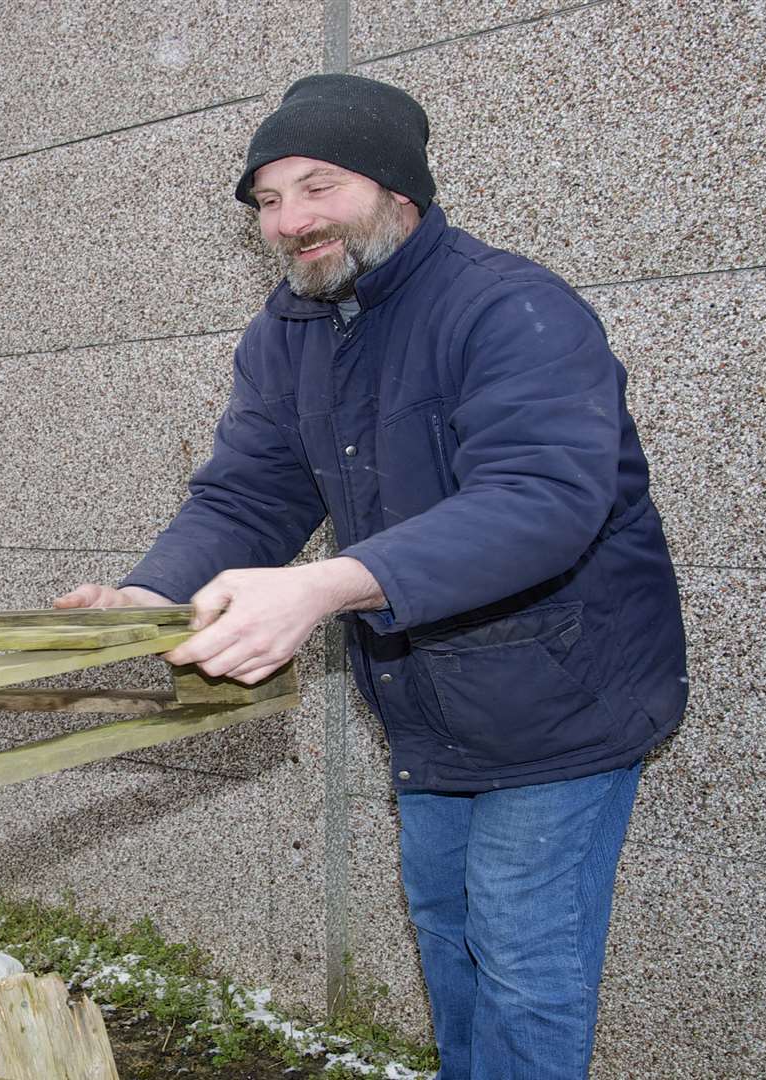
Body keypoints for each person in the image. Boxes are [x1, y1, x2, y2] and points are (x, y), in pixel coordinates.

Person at [56, 74, 686, 1078]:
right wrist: (149, 598)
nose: (288, 220)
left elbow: (542, 503)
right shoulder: (289, 333)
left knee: (524, 959)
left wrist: (321, 586)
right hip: (430, 699)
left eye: (319, 187)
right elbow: (246, 498)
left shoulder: (511, 307)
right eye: (266, 200)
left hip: (566, 693)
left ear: (401, 189)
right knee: (450, 937)